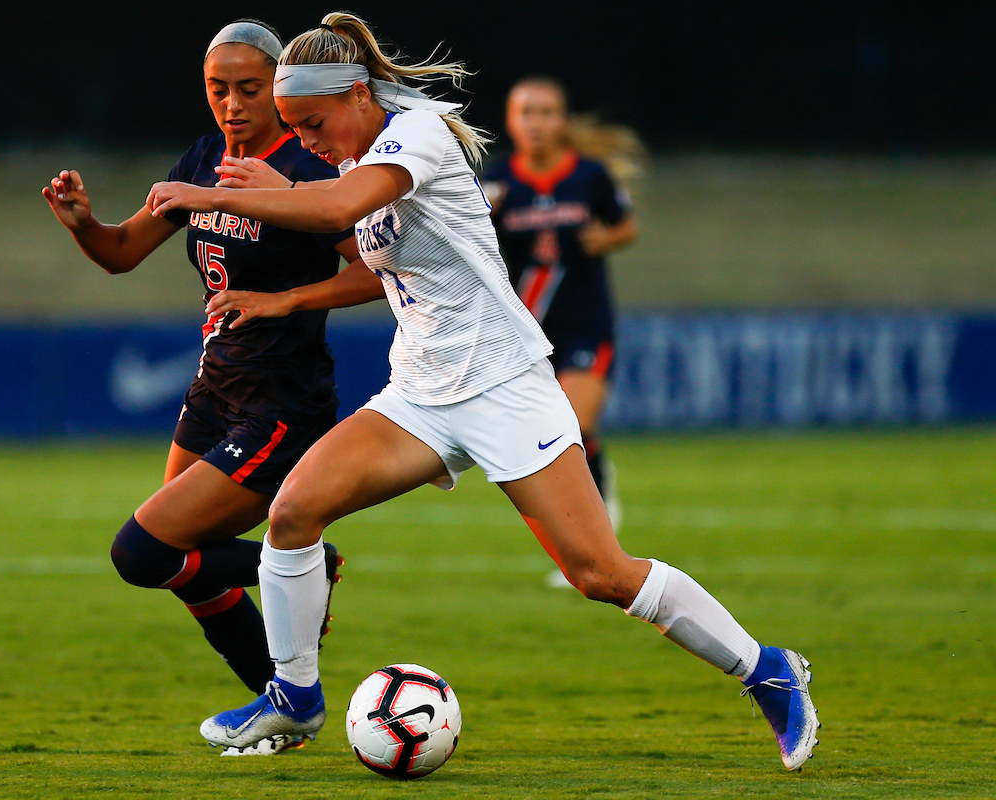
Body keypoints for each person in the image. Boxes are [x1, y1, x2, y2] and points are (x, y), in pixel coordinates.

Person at [145, 12, 820, 771]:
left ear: (359, 94)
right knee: (294, 513)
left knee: (598, 573)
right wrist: (285, 294)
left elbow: (333, 209)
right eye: (294, 127)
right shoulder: (352, 156)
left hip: (504, 385)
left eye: (312, 123)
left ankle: (767, 669)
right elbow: (358, 246)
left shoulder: (416, 135)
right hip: (420, 391)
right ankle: (293, 697)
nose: (305, 140)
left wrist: (216, 195)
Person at [41, 19, 382, 757]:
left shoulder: (306, 168)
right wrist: (83, 224)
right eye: (217, 89)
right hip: (213, 389)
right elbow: (122, 252)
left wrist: (285, 301)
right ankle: (284, 710)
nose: (232, 104)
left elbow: (373, 273)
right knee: (185, 568)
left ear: (278, 90)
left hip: (282, 402)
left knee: (143, 552)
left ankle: (309, 566)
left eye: (249, 89)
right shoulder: (204, 158)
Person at [483, 77, 641, 535]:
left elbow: (625, 226)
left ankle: (593, 528)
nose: (536, 123)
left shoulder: (589, 176)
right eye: (526, 113)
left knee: (572, 425)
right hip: (527, 331)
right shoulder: (497, 180)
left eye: (546, 113)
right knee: (543, 439)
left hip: (585, 324)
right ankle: (584, 516)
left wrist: (607, 238)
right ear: (511, 121)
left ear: (563, 121)